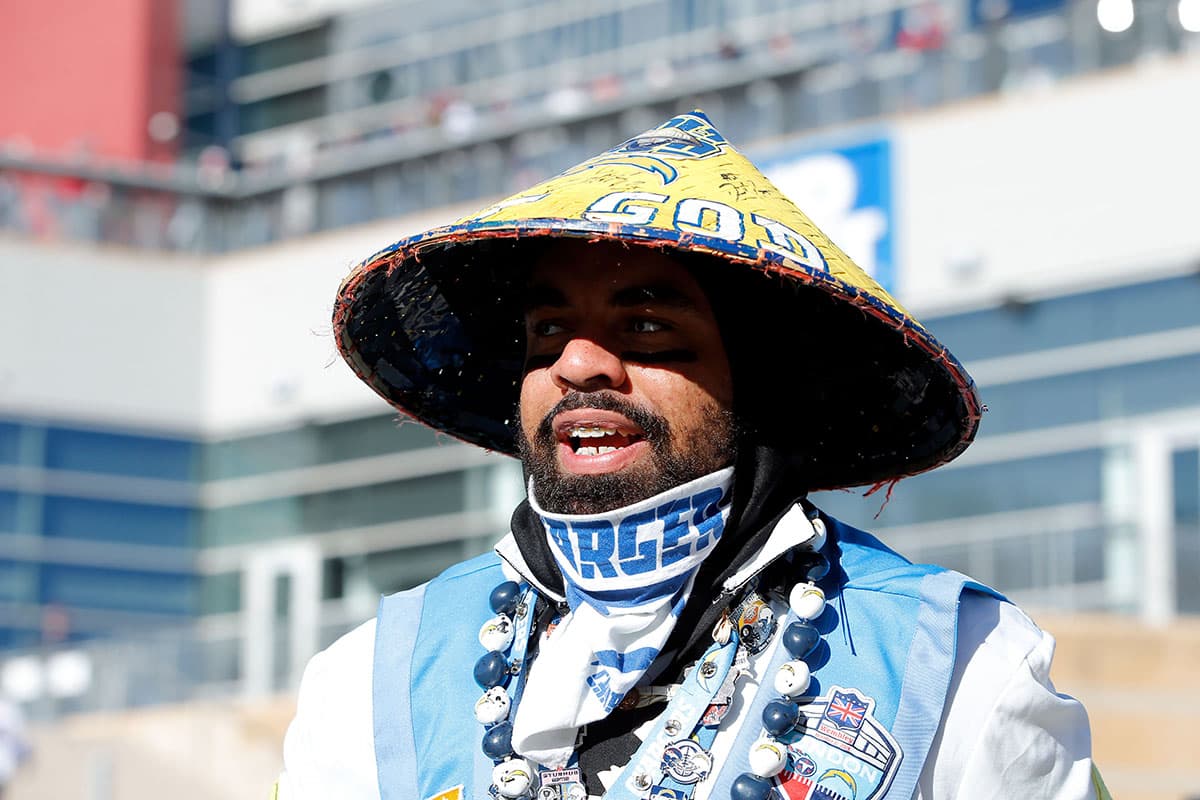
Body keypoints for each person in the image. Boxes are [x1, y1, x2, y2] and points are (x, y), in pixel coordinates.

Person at [276, 111, 1109, 800]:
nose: (577, 364)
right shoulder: (368, 683)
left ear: (757, 380)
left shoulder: (961, 667)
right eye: (548, 331)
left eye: (646, 327)